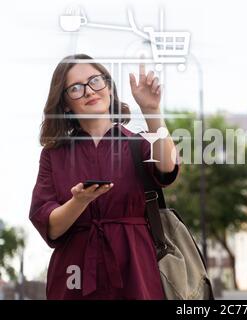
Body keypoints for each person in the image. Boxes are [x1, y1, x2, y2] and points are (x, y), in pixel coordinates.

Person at [29, 54, 180, 299]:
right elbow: (50, 226)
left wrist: (152, 110)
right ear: (65, 102)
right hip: (74, 278)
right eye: (76, 88)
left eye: (95, 81)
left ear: (108, 87)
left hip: (136, 271)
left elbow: (167, 167)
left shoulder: (138, 144)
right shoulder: (53, 155)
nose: (89, 91)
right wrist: (79, 201)